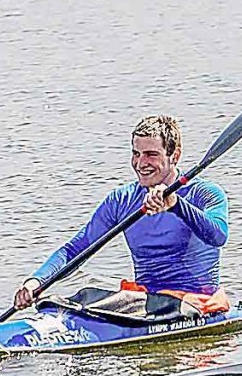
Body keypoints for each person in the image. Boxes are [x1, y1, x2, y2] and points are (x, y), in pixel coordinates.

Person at [13, 115, 230, 313]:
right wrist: (36, 282)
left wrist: (176, 205)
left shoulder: (205, 194)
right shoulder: (121, 200)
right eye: (136, 154)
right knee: (75, 298)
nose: (141, 163)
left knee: (123, 299)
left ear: (175, 155)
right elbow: (74, 250)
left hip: (197, 303)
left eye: (151, 155)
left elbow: (218, 236)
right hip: (146, 303)